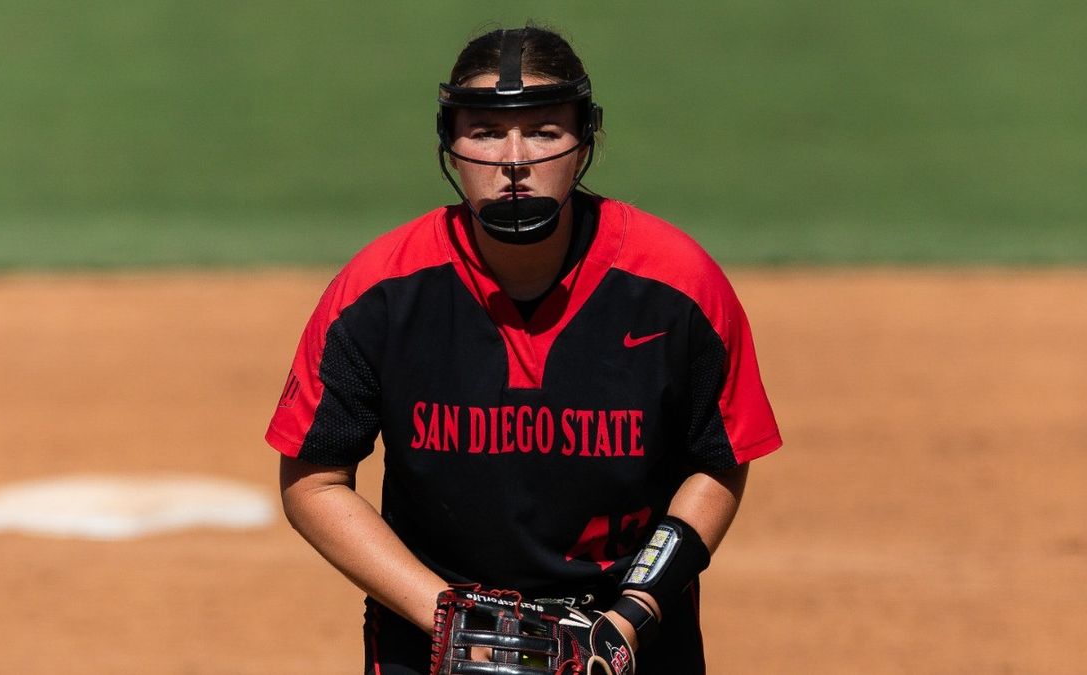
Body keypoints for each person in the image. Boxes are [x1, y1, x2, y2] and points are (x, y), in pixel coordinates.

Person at [265, 25, 782, 674]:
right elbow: (314, 479)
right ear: (450, 145)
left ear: (584, 138)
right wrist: (455, 622)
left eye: (543, 130)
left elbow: (721, 458)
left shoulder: (677, 287)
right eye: (485, 131)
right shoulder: (378, 294)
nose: (514, 158)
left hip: (625, 644)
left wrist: (628, 620)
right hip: (432, 641)